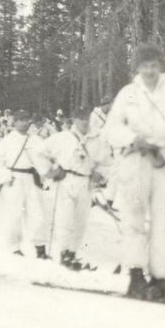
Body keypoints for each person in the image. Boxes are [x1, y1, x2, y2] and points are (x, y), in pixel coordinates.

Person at [104, 43, 165, 302]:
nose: (149, 70)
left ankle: (159, 275)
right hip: (135, 157)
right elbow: (112, 128)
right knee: (133, 218)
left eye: (154, 65)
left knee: (163, 219)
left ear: (161, 66)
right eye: (145, 65)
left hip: (164, 158)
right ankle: (135, 274)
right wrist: (133, 137)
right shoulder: (128, 93)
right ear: (138, 67)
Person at [43, 106, 107, 270]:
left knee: (81, 221)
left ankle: (72, 253)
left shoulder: (97, 140)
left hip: (85, 182)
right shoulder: (62, 138)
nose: (84, 121)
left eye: (86, 118)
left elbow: (106, 162)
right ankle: (63, 253)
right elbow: (41, 152)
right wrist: (50, 171)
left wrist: (100, 173)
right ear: (74, 120)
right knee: (64, 219)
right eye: (80, 118)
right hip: (66, 180)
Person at [0, 110, 51, 258]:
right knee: (13, 213)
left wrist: (45, 174)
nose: (25, 122)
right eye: (21, 120)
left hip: (32, 179)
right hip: (14, 179)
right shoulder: (8, 140)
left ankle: (40, 248)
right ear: (14, 121)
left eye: (27, 119)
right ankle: (14, 246)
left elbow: (44, 159)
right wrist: (5, 176)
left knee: (37, 213)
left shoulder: (36, 140)